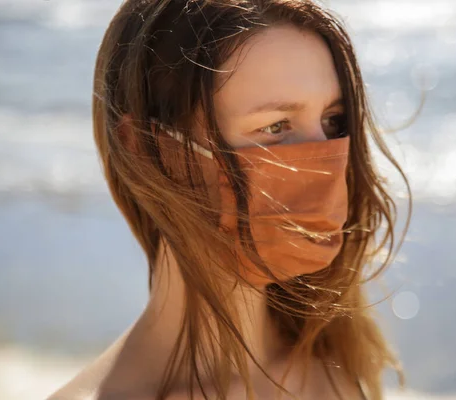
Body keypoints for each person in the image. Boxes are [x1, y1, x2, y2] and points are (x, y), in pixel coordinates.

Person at [50, 0, 408, 399]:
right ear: (146, 149)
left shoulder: (339, 363)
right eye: (276, 126)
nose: (325, 161)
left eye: (333, 122)